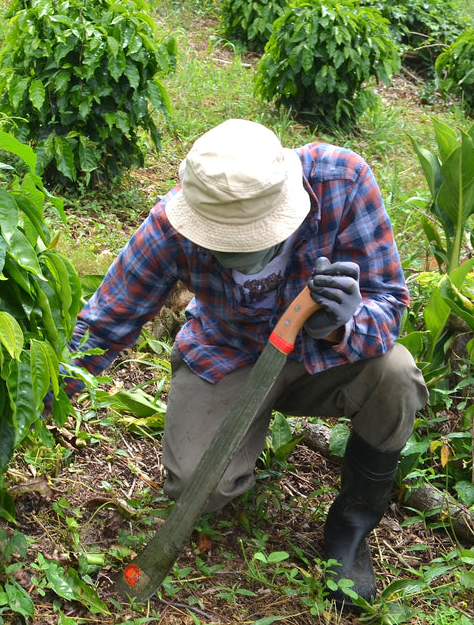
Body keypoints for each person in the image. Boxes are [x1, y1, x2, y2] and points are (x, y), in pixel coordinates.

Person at [62, 118, 428, 609]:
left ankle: (352, 529)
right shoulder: (172, 225)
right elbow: (104, 323)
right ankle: (241, 448)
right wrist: (33, 401)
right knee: (195, 486)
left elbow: (390, 304)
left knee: (397, 376)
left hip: (325, 359)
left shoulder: (342, 182)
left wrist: (343, 323)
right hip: (228, 352)